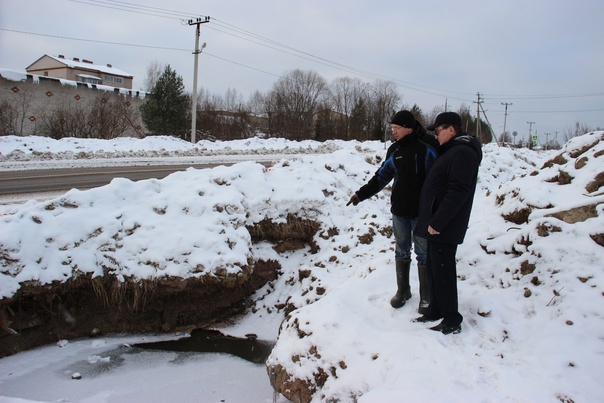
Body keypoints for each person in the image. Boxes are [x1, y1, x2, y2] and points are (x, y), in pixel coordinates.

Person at [347, 110, 438, 311]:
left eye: (396, 128)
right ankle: (403, 290)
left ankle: (427, 297)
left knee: (423, 254)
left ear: (408, 127)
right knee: (401, 250)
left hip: (422, 213)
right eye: (392, 128)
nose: (393, 132)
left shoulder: (428, 147)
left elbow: (439, 178)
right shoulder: (395, 150)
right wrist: (361, 194)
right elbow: (382, 176)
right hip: (400, 211)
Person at [413, 112, 482, 335]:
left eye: (438, 130)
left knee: (444, 272)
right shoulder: (452, 151)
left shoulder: (462, 153)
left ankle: (452, 319)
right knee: (434, 269)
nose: (436, 135)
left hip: (445, 225)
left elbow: (457, 191)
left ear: (451, 130)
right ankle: (435, 310)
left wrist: (439, 221)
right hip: (436, 223)